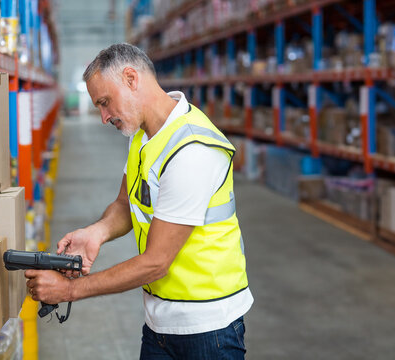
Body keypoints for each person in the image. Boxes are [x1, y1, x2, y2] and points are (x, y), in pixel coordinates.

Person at [24, 43, 254, 359]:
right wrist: (97, 233)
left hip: (207, 329)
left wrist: (70, 290)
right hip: (159, 323)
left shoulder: (192, 150)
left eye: (105, 103)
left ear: (132, 79)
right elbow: (125, 204)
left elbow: (156, 261)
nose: (103, 117)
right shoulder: (143, 137)